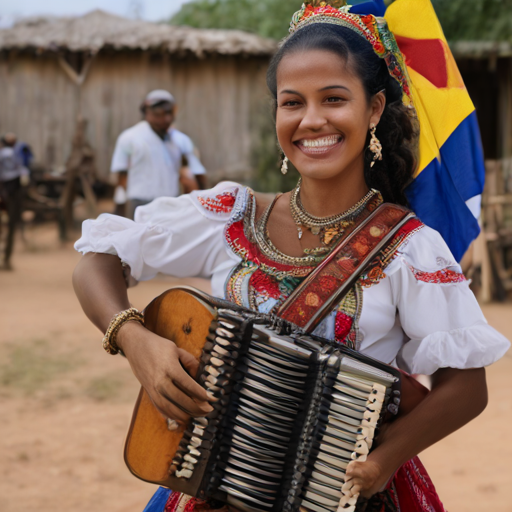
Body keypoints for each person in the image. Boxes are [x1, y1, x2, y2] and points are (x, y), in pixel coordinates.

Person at [73, 2, 510, 511]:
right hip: (212, 491)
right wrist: (135, 340)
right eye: (292, 102)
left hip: (340, 494)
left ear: (373, 109)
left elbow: (466, 387)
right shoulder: (232, 215)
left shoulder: (408, 246)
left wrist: (385, 460)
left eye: (333, 98)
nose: (312, 120)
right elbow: (97, 258)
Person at [111, 89, 207, 219]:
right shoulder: (130, 138)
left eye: (169, 112)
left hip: (171, 203)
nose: (166, 118)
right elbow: (122, 176)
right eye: (159, 113)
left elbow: (196, 173)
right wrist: (120, 205)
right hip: (140, 204)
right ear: (146, 112)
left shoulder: (181, 140)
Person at [0, 133, 29, 270]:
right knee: (11, 224)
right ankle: (6, 259)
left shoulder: (6, 154)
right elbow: (24, 171)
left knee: (10, 225)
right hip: (12, 192)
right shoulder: (15, 153)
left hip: (8, 191)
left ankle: (6, 259)